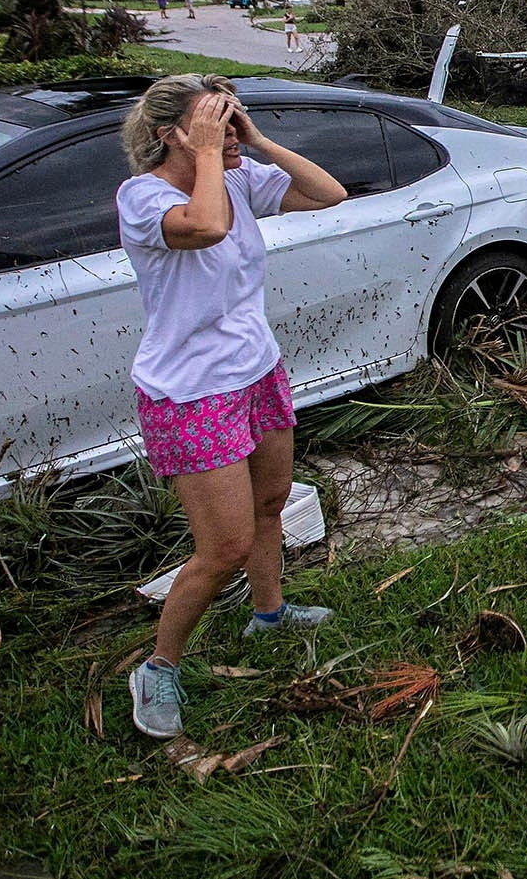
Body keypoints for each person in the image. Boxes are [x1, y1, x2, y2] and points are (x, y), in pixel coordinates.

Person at [117, 75, 347, 739]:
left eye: (228, 116)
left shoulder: (239, 177)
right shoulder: (143, 197)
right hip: (191, 393)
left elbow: (328, 192)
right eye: (210, 121)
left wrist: (255, 139)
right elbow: (207, 225)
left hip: (256, 370)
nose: (225, 128)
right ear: (170, 135)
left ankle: (269, 612)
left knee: (273, 503)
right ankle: (157, 669)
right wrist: (214, 156)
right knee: (223, 547)